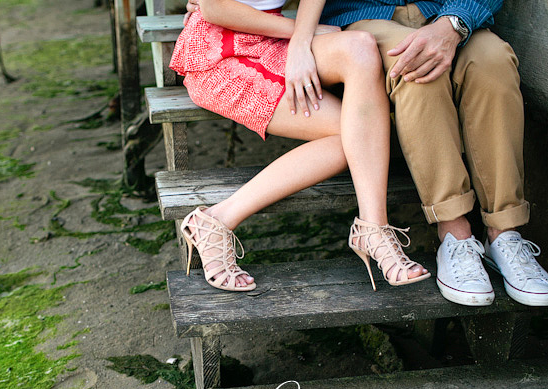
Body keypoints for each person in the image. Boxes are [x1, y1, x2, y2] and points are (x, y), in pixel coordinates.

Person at [186, 0, 548, 306]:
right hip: (242, 41)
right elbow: (215, 8)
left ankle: (494, 233)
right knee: (390, 80)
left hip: (283, 33)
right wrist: (301, 36)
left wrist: (456, 21)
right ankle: (443, 234)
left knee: (357, 128)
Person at [172, 0, 430, 292]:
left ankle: (373, 228)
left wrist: (300, 40)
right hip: (219, 48)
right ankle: (217, 219)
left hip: (279, 38)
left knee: (360, 47)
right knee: (355, 136)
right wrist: (300, 33)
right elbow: (216, 9)